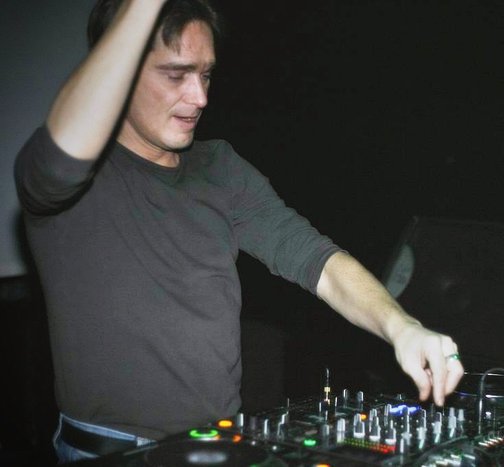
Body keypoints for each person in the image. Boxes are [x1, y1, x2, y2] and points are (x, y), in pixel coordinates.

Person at [14, 0, 464, 462]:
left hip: (218, 445)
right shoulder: (70, 181)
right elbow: (60, 159)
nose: (200, 97)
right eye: (176, 75)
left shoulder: (221, 167)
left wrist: (403, 328)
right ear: (121, 73)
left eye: (206, 75)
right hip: (112, 454)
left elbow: (317, 261)